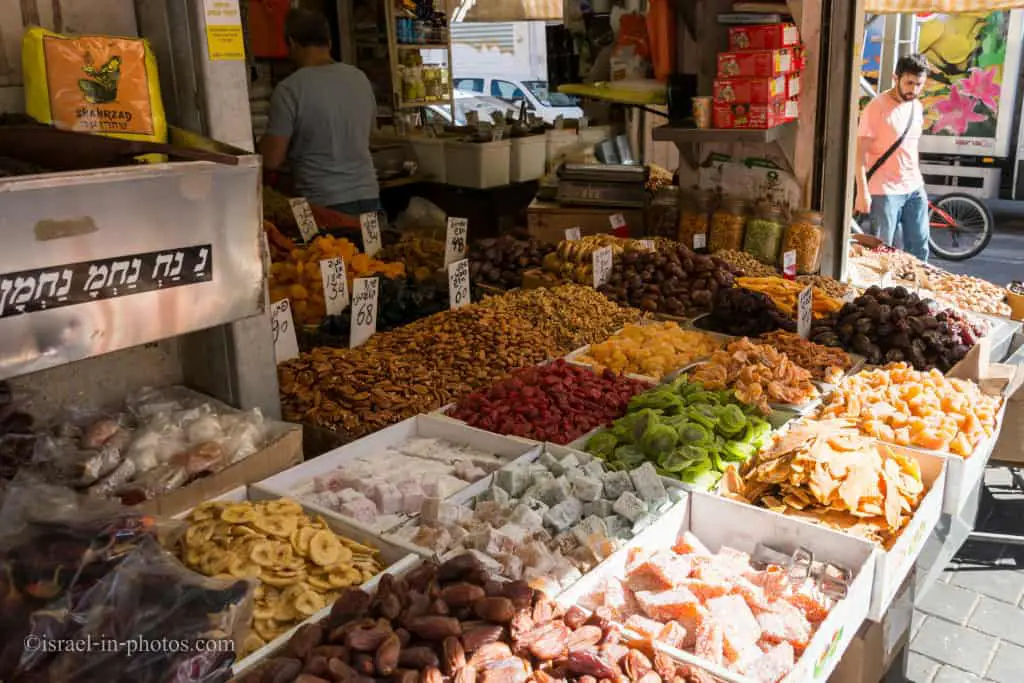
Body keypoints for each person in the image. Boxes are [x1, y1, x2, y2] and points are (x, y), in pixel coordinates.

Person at [259, 8, 380, 216]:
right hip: (369, 197)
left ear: (291, 43)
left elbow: (271, 159)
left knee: (330, 250)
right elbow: (367, 134)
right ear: (329, 42)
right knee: (369, 250)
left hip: (323, 203)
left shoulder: (290, 89)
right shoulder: (359, 78)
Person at [855, 53, 930, 261]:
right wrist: (862, 192)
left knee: (920, 247)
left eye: (919, 84)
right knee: (883, 252)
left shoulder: (916, 106)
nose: (913, 90)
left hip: (914, 187)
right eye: (909, 83)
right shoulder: (876, 108)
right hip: (884, 190)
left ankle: (916, 290)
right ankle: (882, 291)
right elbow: (858, 155)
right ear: (895, 78)